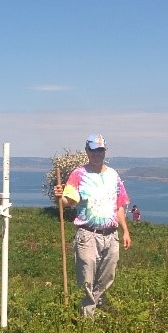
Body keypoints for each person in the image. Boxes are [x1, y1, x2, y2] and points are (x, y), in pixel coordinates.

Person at [54, 133, 132, 316]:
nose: (97, 154)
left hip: (111, 235)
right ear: (87, 151)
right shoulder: (79, 174)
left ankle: (94, 311)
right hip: (87, 235)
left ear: (105, 151)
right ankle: (87, 321)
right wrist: (61, 196)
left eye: (100, 150)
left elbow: (119, 205)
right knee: (86, 280)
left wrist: (126, 231)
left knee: (107, 278)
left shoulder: (113, 175)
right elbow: (69, 201)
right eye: (93, 150)